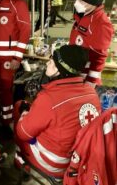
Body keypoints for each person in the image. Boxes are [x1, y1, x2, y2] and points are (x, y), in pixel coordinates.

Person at [14, 45, 102, 179]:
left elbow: (23, 133)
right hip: (79, 160)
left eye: (51, 60)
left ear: (59, 69)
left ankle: (21, 161)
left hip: (56, 164)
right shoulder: (92, 92)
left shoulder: (49, 98)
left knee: (19, 108)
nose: (48, 63)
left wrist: (24, 116)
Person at [69, 0, 114, 87]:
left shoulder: (102, 23)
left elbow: (99, 57)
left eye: (82, 0)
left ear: (93, 2)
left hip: (86, 78)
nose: (77, 2)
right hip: (75, 71)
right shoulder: (81, 15)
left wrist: (90, 83)